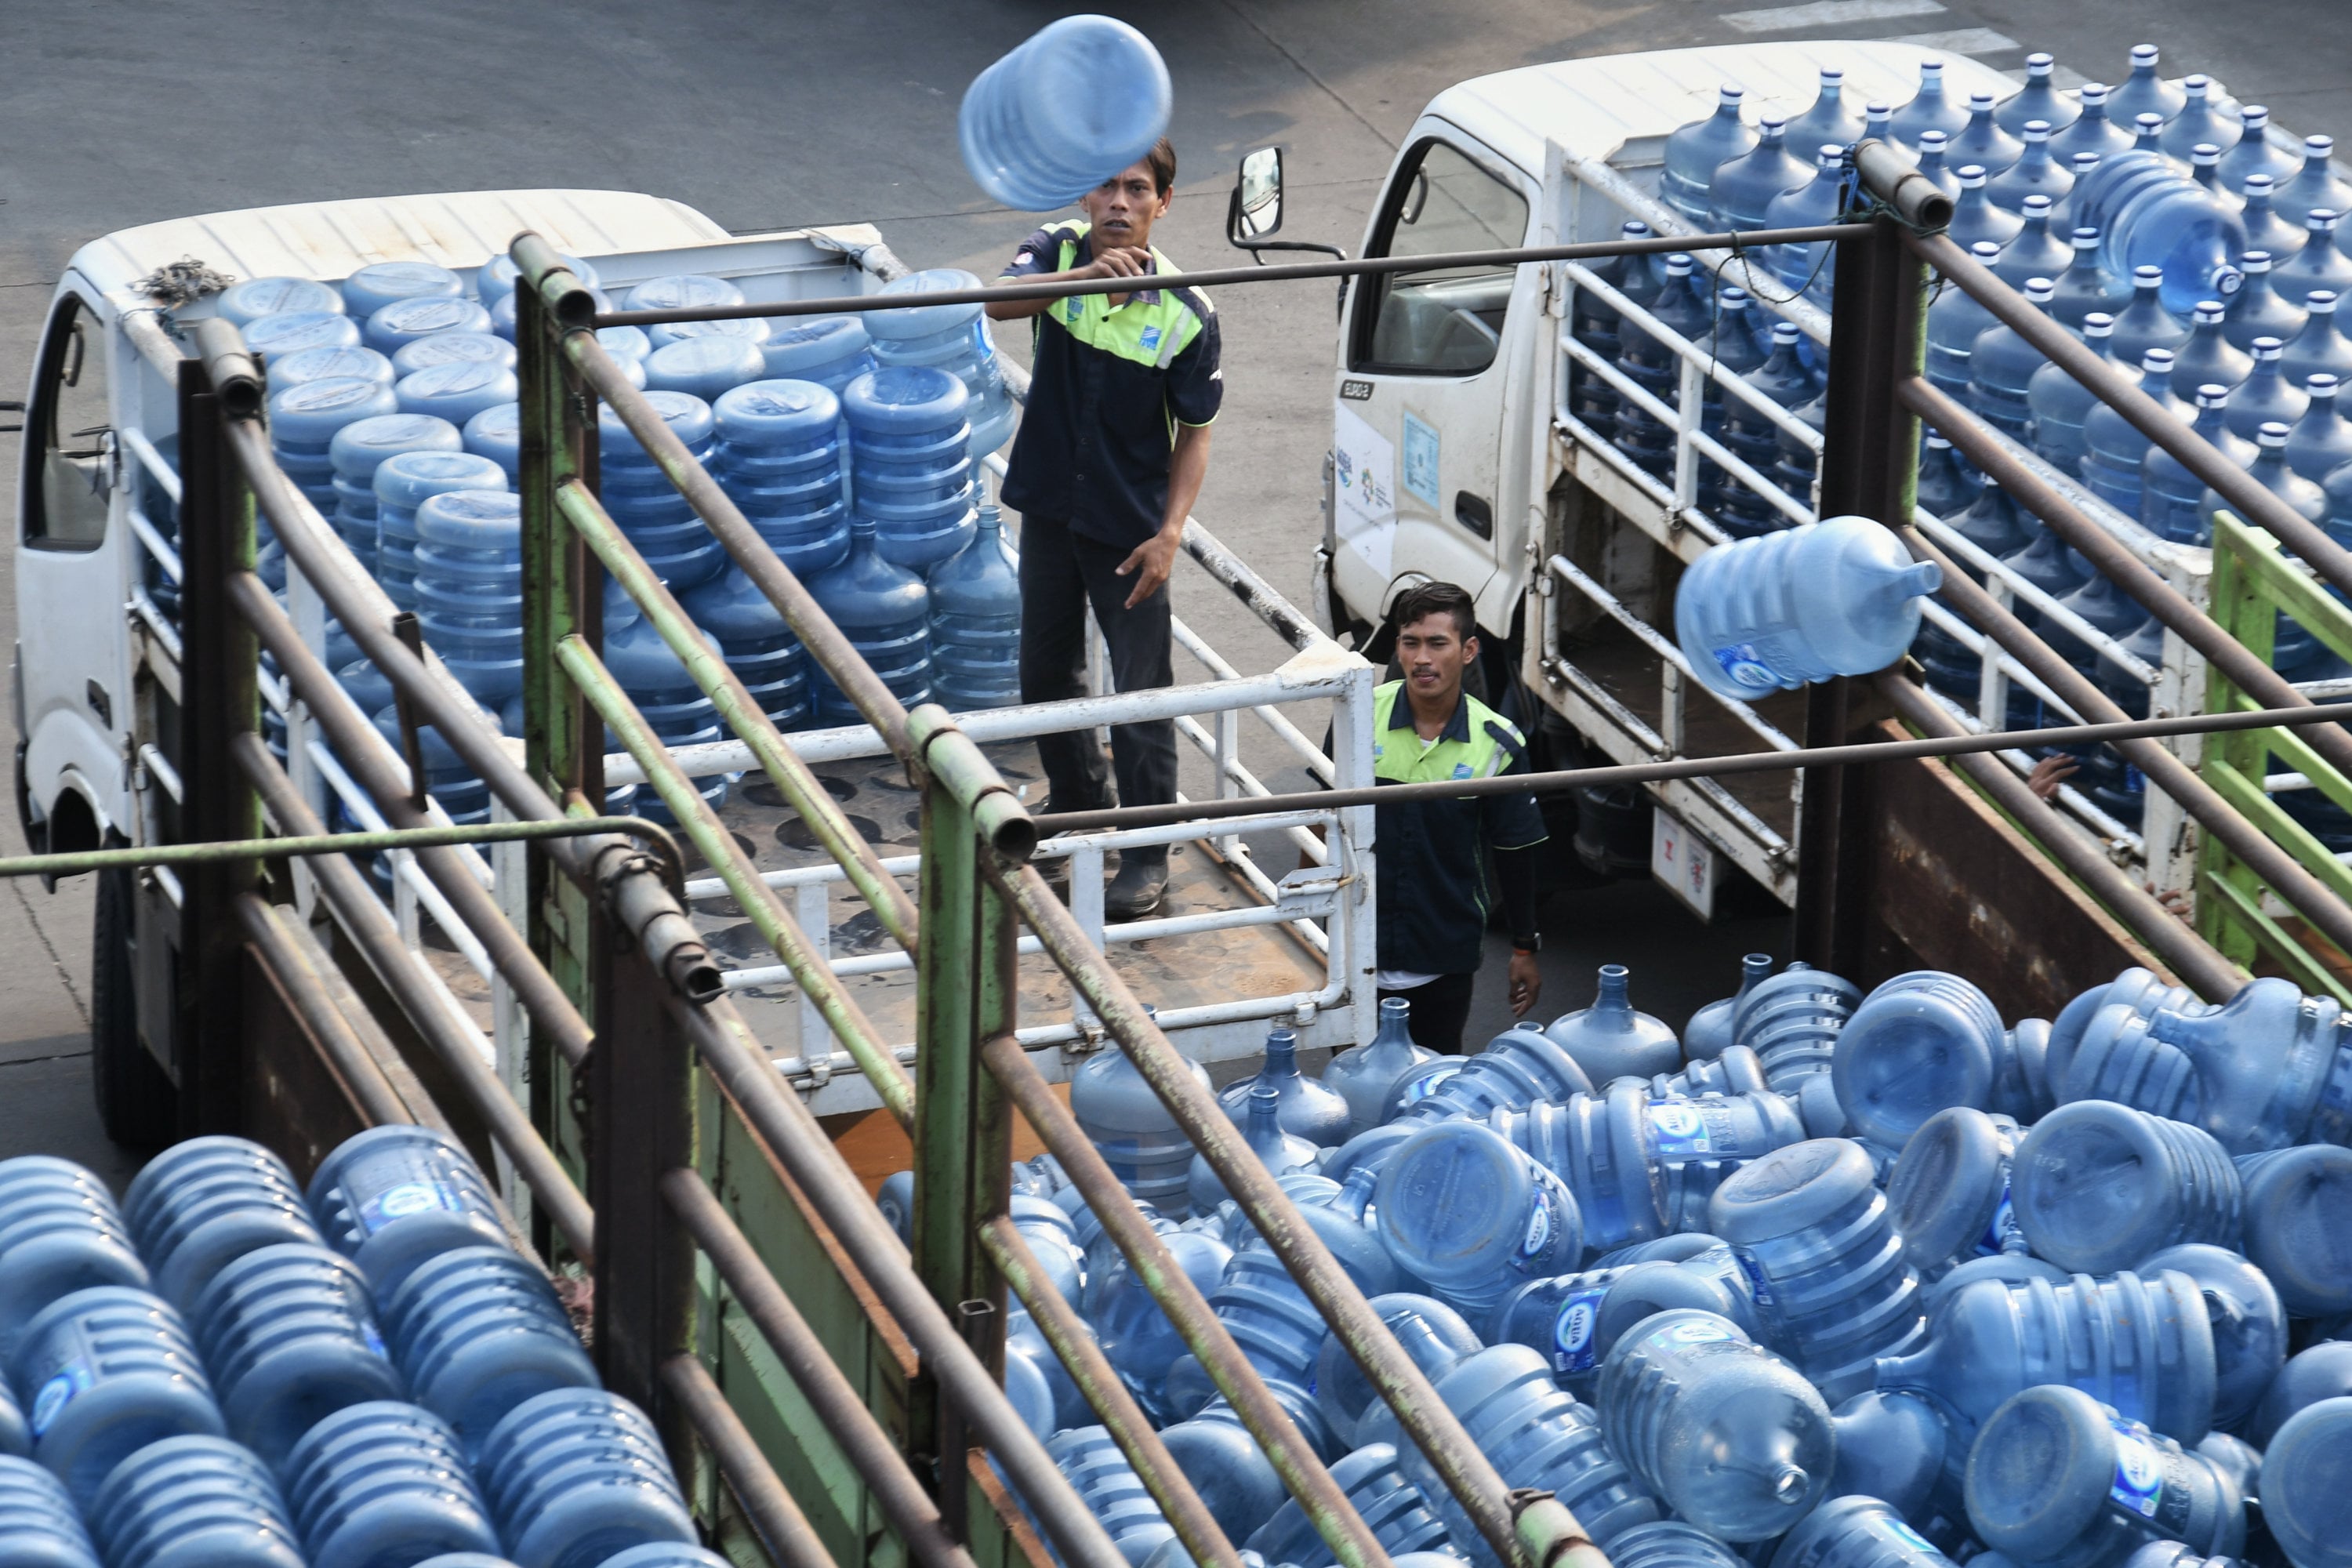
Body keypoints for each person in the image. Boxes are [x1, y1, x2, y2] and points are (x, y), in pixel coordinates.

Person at [986, 139, 1220, 919]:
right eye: (1106, 186)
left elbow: (1196, 434)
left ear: (1163, 203)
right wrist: (1080, 279)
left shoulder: (1187, 312)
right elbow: (997, 303)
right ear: (1085, 197)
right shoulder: (1056, 252)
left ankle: (1148, 850)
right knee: (1044, 671)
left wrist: (1170, 533)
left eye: (1137, 188)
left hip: (1129, 532)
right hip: (1051, 508)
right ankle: (1080, 799)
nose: (1119, 202)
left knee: (1140, 691)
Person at [1371, 582, 1546, 1054]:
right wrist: (1305, 925)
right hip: (1356, 953)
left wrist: (1524, 948)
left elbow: (1515, 852)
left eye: (1437, 644)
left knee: (1436, 1080)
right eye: (1411, 643)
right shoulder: (1358, 716)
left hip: (1443, 960)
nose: (1422, 659)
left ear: (1468, 651)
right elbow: (1321, 823)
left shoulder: (1498, 745)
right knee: (1355, 1083)